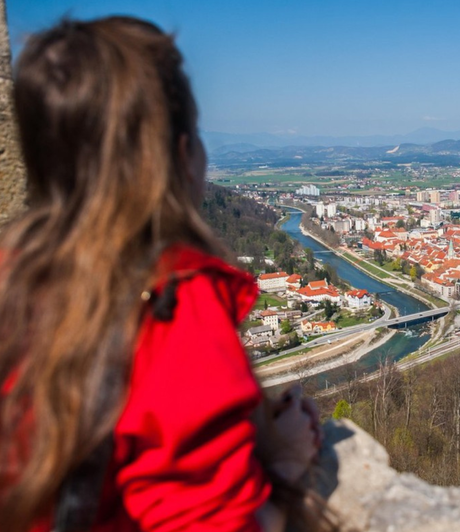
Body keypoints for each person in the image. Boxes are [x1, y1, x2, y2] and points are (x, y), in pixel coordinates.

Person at [0, 16, 328, 532]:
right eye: (195, 135)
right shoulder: (170, 309)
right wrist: (285, 459)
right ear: (180, 155)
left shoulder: (15, 276)